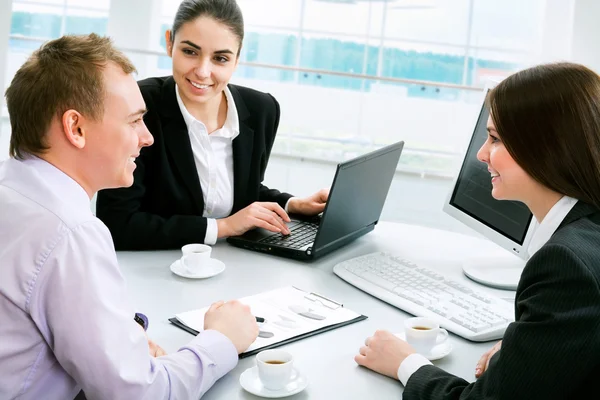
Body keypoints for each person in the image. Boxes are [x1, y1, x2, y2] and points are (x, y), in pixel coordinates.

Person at [0, 33, 259, 399]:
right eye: (135, 120)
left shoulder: (12, 188)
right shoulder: (69, 233)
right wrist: (222, 341)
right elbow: (140, 394)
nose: (147, 137)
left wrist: (121, 336)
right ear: (76, 128)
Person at [355, 62, 600, 399]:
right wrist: (531, 346)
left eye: (495, 139)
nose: (482, 154)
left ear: (548, 147)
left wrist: (406, 364)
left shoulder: (565, 264)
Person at [96, 0, 329, 250]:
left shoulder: (261, 110)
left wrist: (292, 204)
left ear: (237, 58)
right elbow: (116, 223)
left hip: (235, 265)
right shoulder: (139, 107)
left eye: (220, 58)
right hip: (154, 268)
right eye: (190, 52)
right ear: (170, 42)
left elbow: (236, 190)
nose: (203, 72)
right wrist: (223, 227)